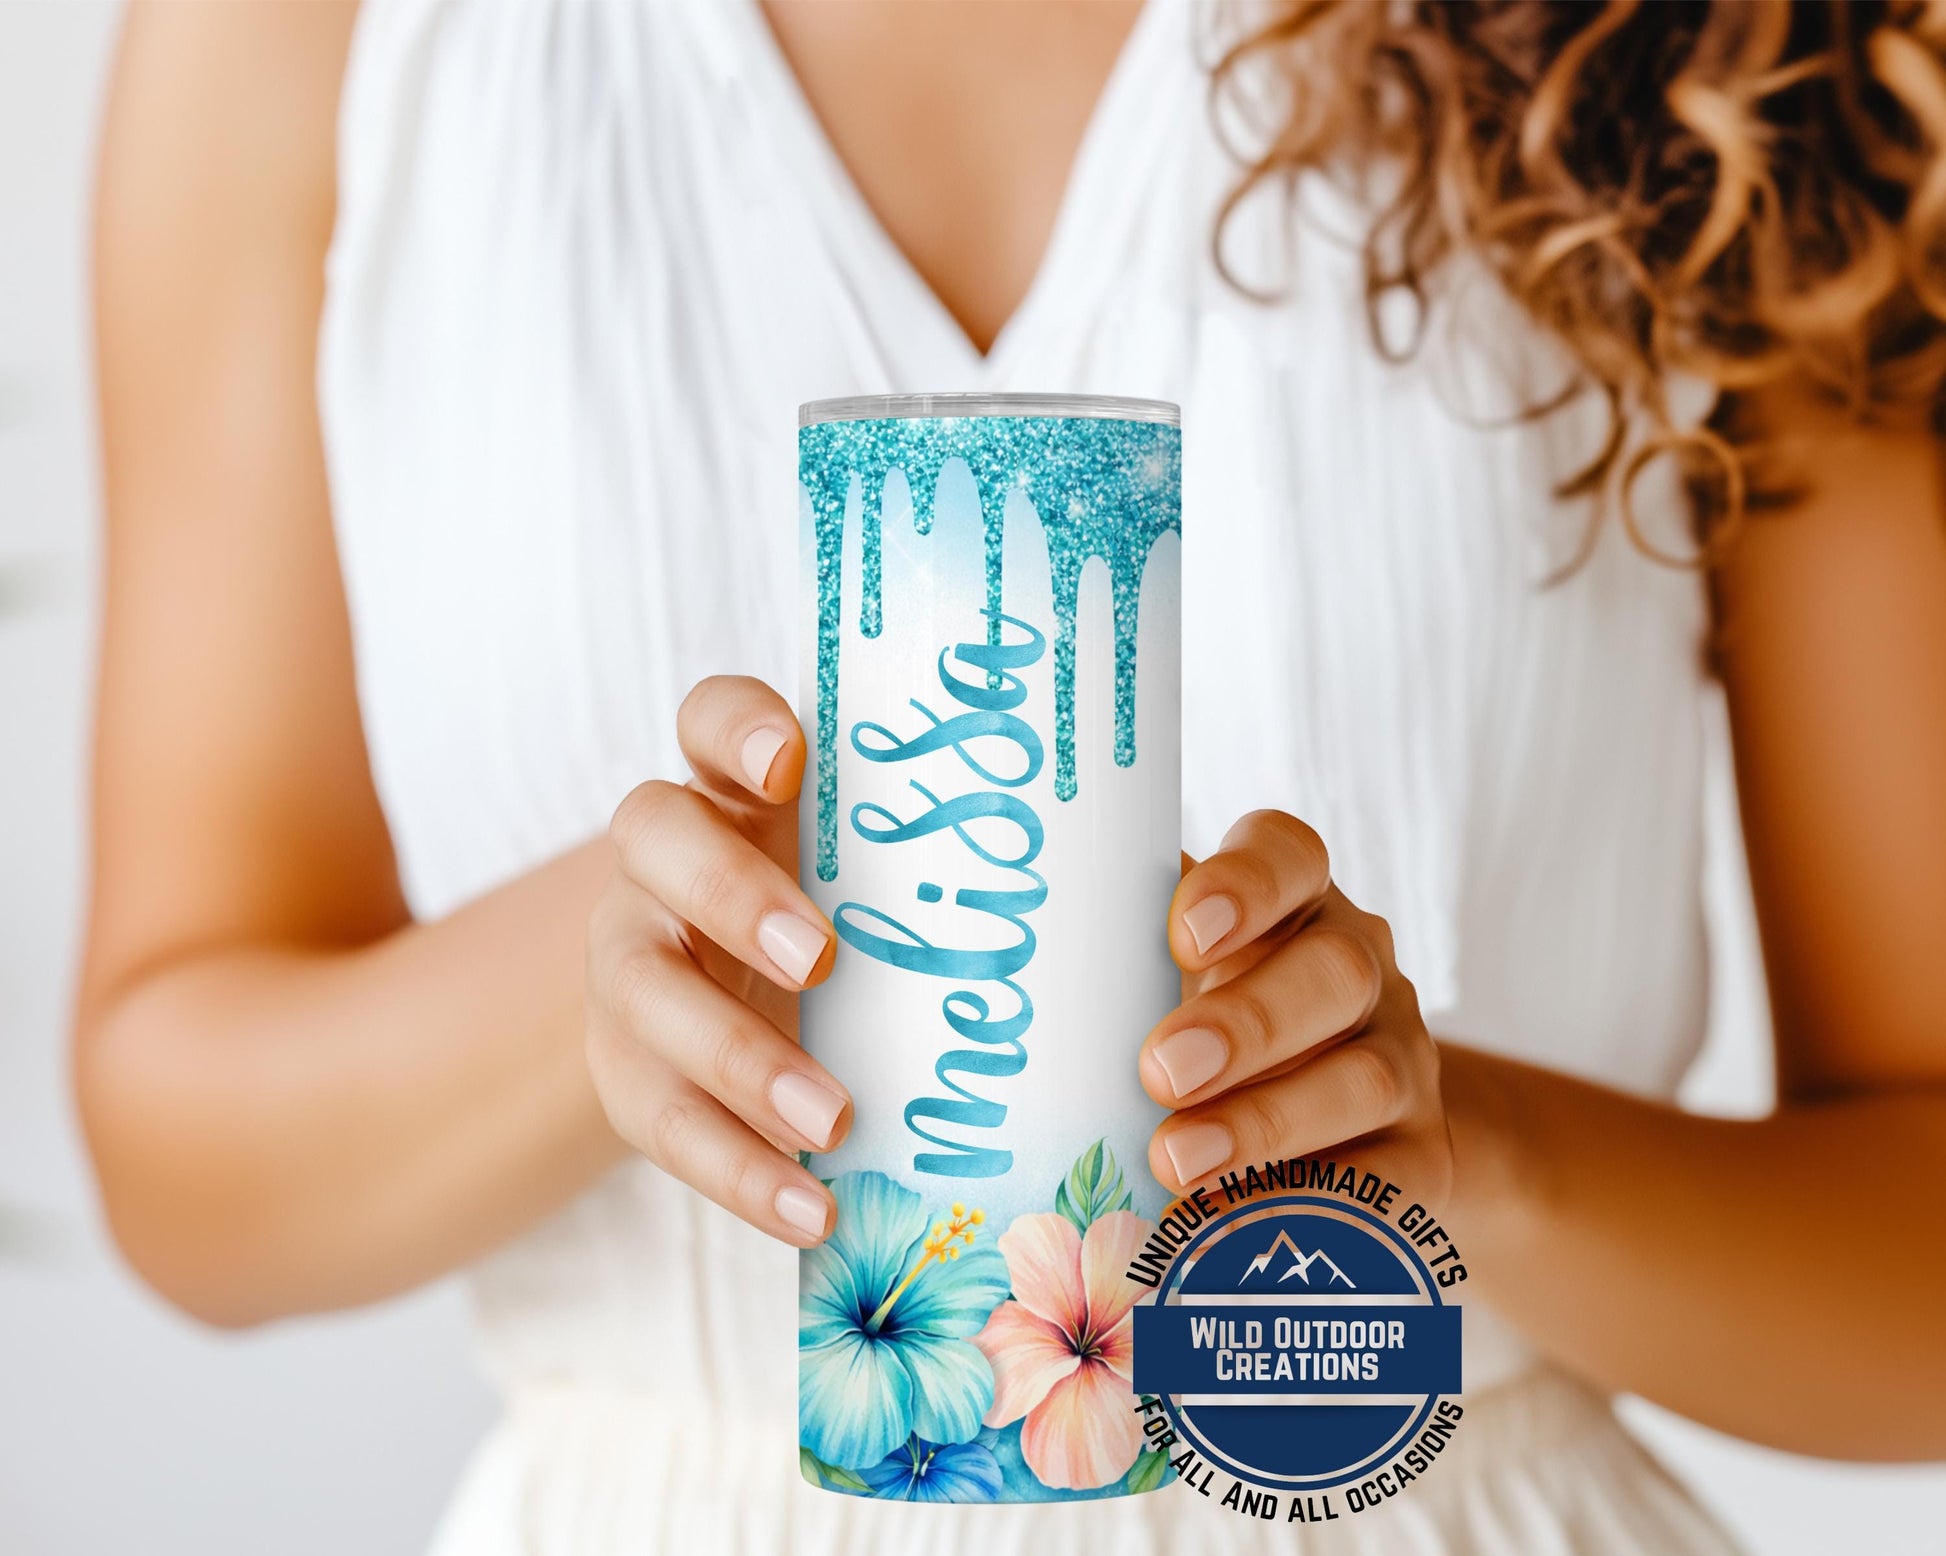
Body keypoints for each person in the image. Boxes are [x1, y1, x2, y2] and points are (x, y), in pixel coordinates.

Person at [77, 1, 1946, 1551]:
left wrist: (1461, 1158)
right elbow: (179, 1163)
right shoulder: (302, 36)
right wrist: (641, 961)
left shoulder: (1719, 44)